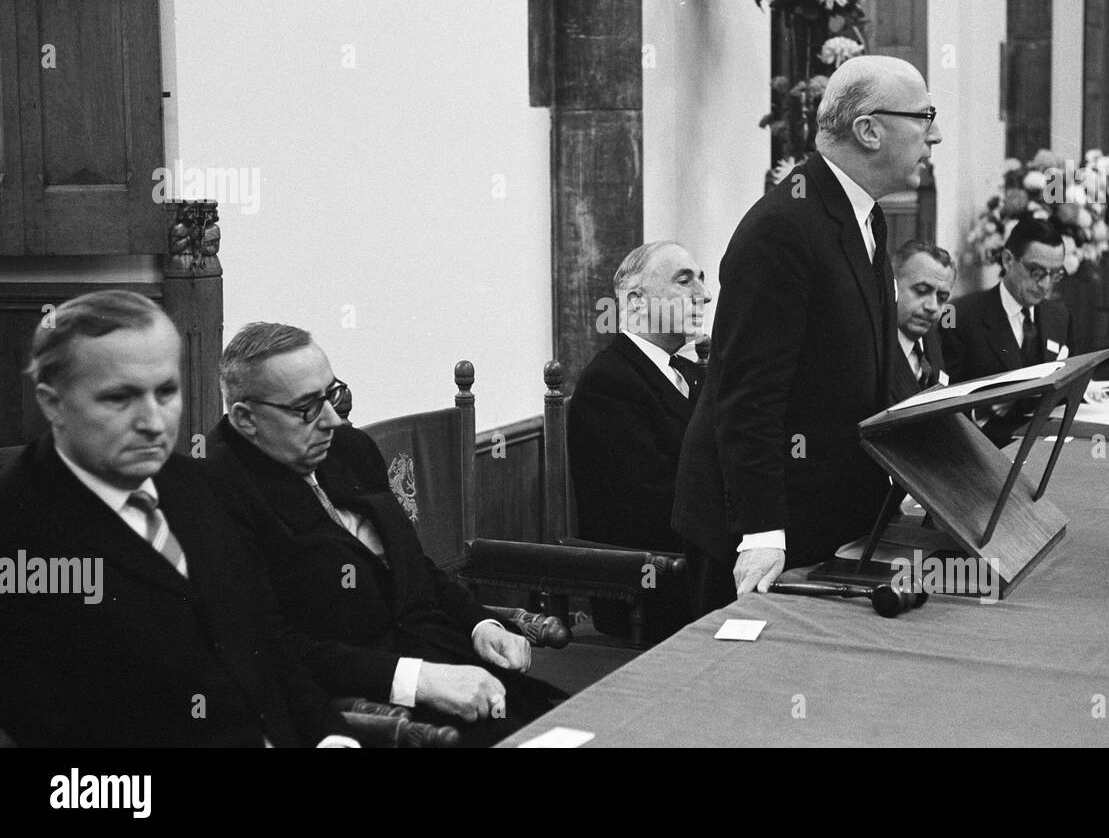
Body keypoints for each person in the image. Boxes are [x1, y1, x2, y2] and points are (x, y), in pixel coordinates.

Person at [0, 291, 353, 748]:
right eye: (119, 398)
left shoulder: (194, 483)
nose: (153, 422)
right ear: (53, 404)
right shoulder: (17, 530)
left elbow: (265, 636)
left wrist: (332, 737)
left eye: (166, 392)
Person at [201, 322, 564, 747]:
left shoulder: (348, 449)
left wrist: (480, 625)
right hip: (371, 707)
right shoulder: (214, 492)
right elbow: (272, 646)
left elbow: (415, 570)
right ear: (246, 418)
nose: (333, 420)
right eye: (306, 409)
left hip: (454, 663)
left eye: (331, 394)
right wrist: (419, 680)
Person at [672, 55, 943, 615]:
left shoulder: (862, 211)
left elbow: (870, 360)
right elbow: (748, 395)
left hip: (829, 505)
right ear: (869, 130)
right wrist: (764, 532)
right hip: (761, 526)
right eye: (923, 116)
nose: (934, 134)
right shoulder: (783, 228)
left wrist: (942, 459)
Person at [567, 241, 710, 639]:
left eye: (702, 280)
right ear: (635, 300)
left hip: (699, 564)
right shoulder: (609, 382)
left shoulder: (691, 373)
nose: (705, 294)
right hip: (652, 589)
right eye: (685, 281)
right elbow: (649, 509)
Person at [940, 217, 1076, 446]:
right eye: (1036, 271)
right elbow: (944, 401)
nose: (1045, 284)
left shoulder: (1059, 316)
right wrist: (984, 409)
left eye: (1054, 274)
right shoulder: (959, 316)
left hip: (1048, 443)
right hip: (986, 448)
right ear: (1007, 260)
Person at [890, 240, 955, 401]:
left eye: (942, 298)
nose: (932, 307)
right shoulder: (871, 345)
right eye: (921, 291)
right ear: (892, 286)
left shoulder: (932, 336)